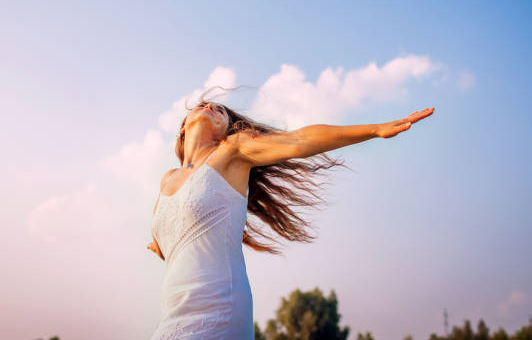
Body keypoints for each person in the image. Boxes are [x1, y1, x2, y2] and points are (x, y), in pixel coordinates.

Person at [147, 95, 434, 339]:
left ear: (225, 130)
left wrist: (374, 129)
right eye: (203, 104)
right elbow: (173, 235)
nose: (211, 106)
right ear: (183, 127)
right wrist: (159, 245)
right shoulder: (167, 180)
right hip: (171, 314)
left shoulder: (231, 151)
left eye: (220, 110)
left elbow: (298, 140)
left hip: (216, 309)